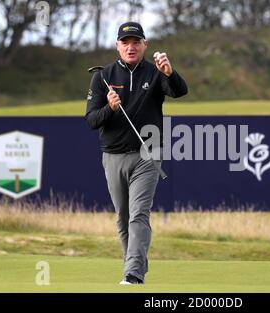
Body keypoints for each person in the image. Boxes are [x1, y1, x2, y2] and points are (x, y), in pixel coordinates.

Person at [85, 21, 188, 284]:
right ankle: (135, 264)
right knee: (123, 216)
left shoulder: (155, 74)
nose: (130, 47)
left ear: (145, 45)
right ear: (117, 46)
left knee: (139, 213)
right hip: (113, 155)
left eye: (136, 42)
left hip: (148, 154)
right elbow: (92, 120)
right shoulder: (102, 76)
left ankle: (132, 273)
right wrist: (110, 109)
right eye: (125, 42)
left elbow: (179, 91)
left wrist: (169, 72)